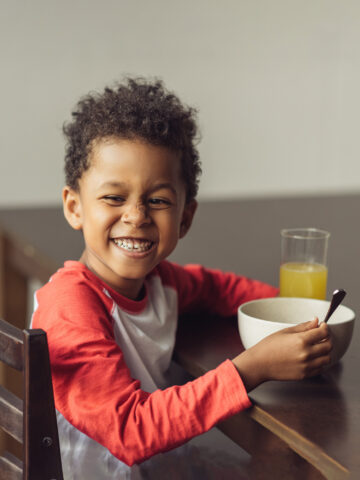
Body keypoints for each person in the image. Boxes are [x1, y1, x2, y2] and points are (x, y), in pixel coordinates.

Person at [32, 77, 332, 479]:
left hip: (158, 465)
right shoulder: (70, 305)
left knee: (282, 460)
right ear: (74, 207)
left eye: (157, 200)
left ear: (185, 218)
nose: (136, 216)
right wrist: (252, 368)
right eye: (113, 197)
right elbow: (129, 431)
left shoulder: (161, 283)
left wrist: (289, 311)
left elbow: (218, 289)